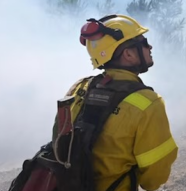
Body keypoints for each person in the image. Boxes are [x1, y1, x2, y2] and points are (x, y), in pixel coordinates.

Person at [62, 14, 178, 191]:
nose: (150, 46)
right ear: (129, 54)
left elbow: (61, 142)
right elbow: (154, 178)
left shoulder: (79, 88)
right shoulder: (148, 104)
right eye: (143, 41)